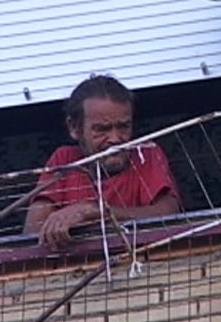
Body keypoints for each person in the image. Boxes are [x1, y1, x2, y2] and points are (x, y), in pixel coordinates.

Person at [24, 75, 180, 249]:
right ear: (74, 128)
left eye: (124, 126)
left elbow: (170, 213)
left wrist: (95, 211)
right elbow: (33, 231)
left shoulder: (146, 153)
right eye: (102, 129)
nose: (115, 139)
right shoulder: (65, 159)